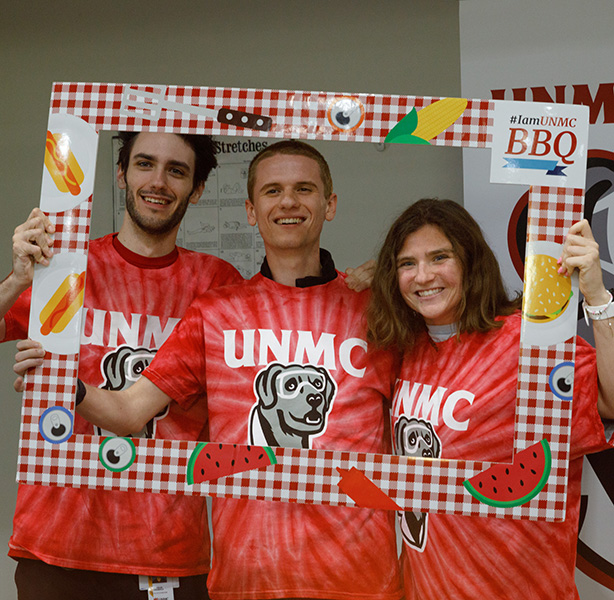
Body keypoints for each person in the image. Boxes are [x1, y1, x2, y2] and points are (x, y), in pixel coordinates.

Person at [72, 140, 402, 600]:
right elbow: (130, 412)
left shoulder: (379, 313)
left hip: (363, 581)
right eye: (272, 191)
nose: (288, 202)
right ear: (250, 210)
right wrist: (66, 385)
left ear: (329, 205)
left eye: (304, 189)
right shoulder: (215, 312)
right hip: (246, 580)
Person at [1, 131, 244, 600]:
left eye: (177, 170)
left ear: (196, 189)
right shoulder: (65, 269)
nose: (158, 181)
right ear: (121, 174)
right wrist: (19, 279)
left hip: (166, 548)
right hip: (55, 541)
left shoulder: (217, 284)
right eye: (144, 164)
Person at [367, 198, 614, 600]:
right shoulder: (405, 349)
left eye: (439, 257)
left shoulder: (525, 342)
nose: (423, 275)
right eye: (406, 263)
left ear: (470, 262)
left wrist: (597, 294)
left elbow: (611, 400)